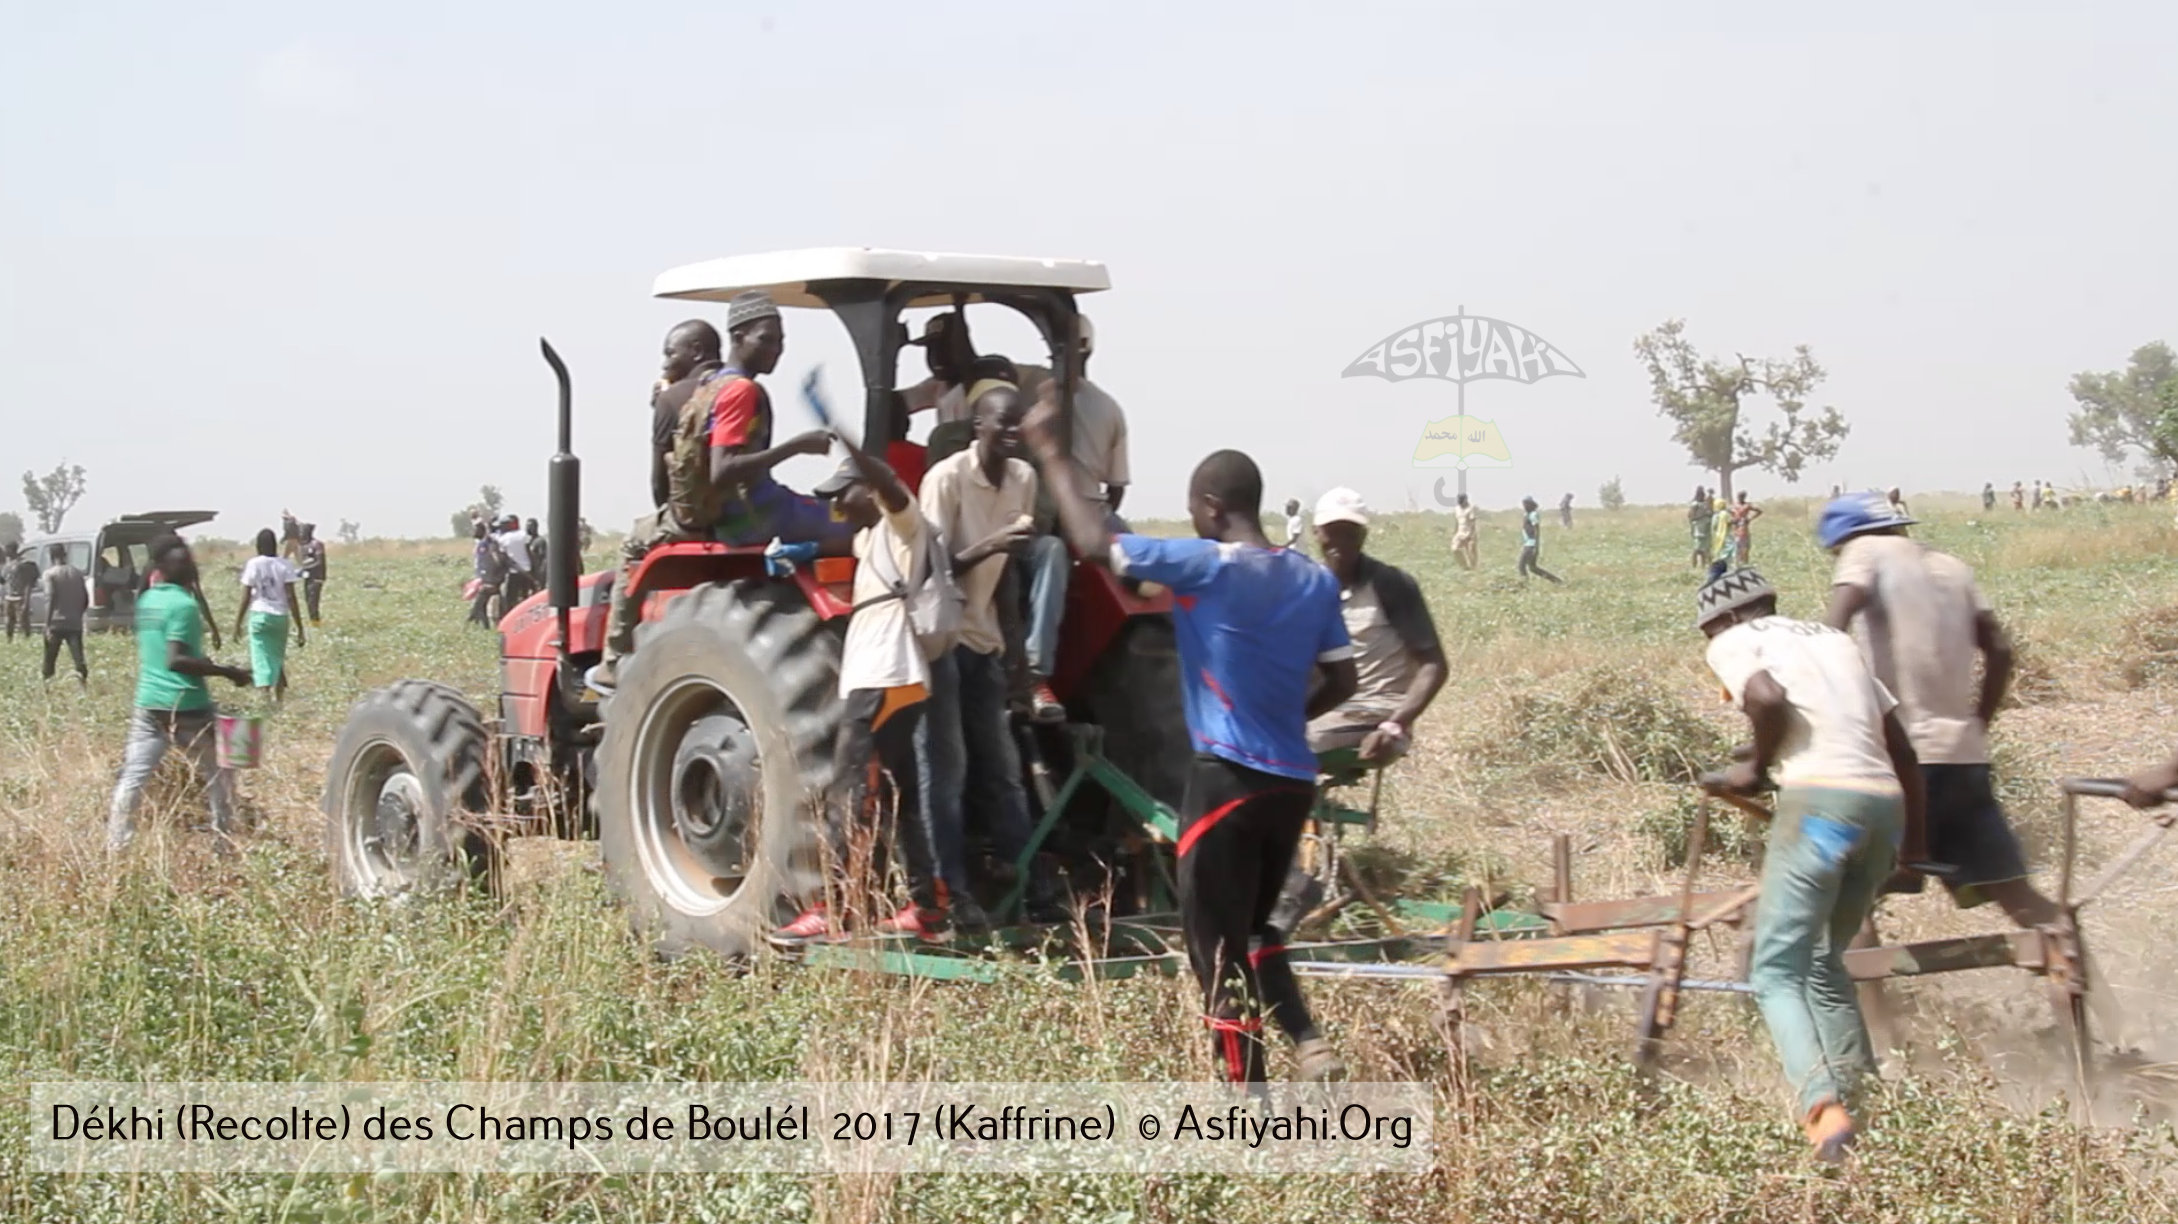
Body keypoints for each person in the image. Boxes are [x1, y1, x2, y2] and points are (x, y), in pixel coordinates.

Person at [1025, 384, 1357, 1085]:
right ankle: (1306, 1037)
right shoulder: (1312, 580)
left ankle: (1248, 1112)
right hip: (1292, 783)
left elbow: (1089, 542)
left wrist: (1054, 452)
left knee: (1214, 954)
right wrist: (1285, 721)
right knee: (1259, 928)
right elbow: (1344, 682)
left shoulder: (1205, 566)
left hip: (1224, 782)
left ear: (1211, 507)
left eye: (1192, 507)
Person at [1696, 567, 1926, 1162]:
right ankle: (1863, 1099)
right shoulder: (1834, 641)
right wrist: (1913, 848)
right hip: (1883, 808)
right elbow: (1900, 748)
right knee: (1826, 962)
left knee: (1775, 971)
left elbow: (1766, 697)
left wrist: (1751, 770)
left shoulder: (1735, 640)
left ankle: (1823, 1113)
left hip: (1821, 808)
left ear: (1720, 620)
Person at [1820, 494, 2054, 926]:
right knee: (2016, 894)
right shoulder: (1952, 567)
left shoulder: (1863, 552)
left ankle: (1867, 996)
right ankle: (2082, 975)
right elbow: (2000, 650)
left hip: (1904, 763)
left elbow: (1830, 635)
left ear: (1842, 539)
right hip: (1965, 758)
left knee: (1845, 893)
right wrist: (1978, 721)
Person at [772, 445, 952, 944]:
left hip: (884, 673)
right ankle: (926, 905)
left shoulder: (902, 526)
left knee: (850, 787)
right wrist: (803, 554)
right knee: (900, 793)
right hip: (886, 676)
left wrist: (857, 446)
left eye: (843, 494)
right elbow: (840, 540)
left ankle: (837, 905)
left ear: (872, 490)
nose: (836, 506)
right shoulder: (871, 537)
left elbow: (894, 491)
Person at [915, 380, 1063, 930]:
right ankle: (949, 893)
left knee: (1003, 770)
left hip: (984, 639)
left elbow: (1004, 577)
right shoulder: (946, 479)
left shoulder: (1023, 479)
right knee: (946, 769)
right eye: (1001, 423)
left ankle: (1028, 887)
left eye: (1019, 424)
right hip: (940, 637)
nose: (1012, 433)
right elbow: (930, 567)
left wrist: (1018, 655)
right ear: (977, 428)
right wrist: (994, 546)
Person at [108, 534, 254, 852]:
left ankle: (116, 846)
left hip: (148, 705)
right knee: (228, 763)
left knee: (133, 778)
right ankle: (225, 840)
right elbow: (176, 660)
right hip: (187, 705)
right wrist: (229, 672)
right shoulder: (184, 605)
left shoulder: (147, 600)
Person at [703, 291, 852, 549]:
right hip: (757, 514)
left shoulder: (713, 384)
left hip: (737, 514)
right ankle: (801, 555)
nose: (776, 349)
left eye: (780, 341)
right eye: (766, 339)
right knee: (858, 519)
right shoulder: (740, 390)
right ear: (738, 338)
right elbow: (722, 469)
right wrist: (797, 446)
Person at [1306, 489, 1447, 759]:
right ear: (1316, 533)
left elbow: (1434, 665)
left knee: (1288, 746)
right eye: (1331, 531)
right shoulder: (1310, 585)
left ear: (1364, 535)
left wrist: (1395, 724)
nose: (1340, 541)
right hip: (1326, 706)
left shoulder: (1389, 584)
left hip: (1374, 710)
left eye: (1350, 532)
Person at [649, 320, 725, 511]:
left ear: (697, 351)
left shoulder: (671, 398)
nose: (665, 365)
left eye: (670, 354)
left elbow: (660, 484)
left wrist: (663, 405)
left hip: (694, 518)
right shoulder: (749, 389)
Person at [234, 528, 307, 700]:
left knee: (261, 657)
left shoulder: (253, 564)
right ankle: (279, 697)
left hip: (259, 615)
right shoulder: (285, 564)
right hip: (280, 616)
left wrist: (237, 623)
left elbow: (245, 596)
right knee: (277, 657)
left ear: (258, 545)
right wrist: (299, 626)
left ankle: (265, 697)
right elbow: (291, 597)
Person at [39, 544, 89, 686]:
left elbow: (50, 598)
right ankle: (83, 686)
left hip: (56, 623)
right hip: (74, 623)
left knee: (49, 660)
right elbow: (85, 598)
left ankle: (48, 687)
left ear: (51, 556)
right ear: (65, 554)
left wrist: (47, 624)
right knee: (78, 659)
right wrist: (78, 614)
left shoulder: (50, 574)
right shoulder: (77, 573)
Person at [466, 521, 504, 628]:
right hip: (481, 578)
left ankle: (472, 623)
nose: (473, 532)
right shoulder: (480, 543)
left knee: (479, 604)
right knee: (481, 605)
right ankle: (484, 626)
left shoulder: (489, 543)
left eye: (476, 529)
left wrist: (491, 579)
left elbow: (495, 561)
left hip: (488, 579)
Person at [1517, 496, 1562, 585]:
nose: (1524, 506)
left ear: (1531, 505)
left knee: (1521, 566)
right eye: (1523, 504)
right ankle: (1557, 581)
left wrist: (1536, 546)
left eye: (1526, 504)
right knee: (1533, 568)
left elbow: (1536, 529)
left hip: (1531, 545)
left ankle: (1525, 584)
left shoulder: (1533, 514)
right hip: (1528, 544)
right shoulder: (1527, 515)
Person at [495, 514, 535, 604]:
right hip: (527, 572)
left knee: (511, 598)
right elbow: (531, 553)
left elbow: (502, 557)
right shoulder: (524, 535)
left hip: (513, 572)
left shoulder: (503, 539)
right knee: (526, 598)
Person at [4, 543, 35, 641]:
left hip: (19, 597)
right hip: (8, 597)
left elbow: (28, 584)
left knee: (23, 621)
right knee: (9, 621)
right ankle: (9, 639)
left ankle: (27, 639)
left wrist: (26, 601)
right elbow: (4, 581)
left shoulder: (22, 565)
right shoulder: (7, 565)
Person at [297, 522, 327, 625]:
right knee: (308, 601)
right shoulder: (303, 546)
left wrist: (305, 568)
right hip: (308, 577)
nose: (300, 534)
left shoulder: (317, 544)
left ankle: (316, 623)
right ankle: (314, 622)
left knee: (313, 602)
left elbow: (320, 562)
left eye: (302, 531)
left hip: (316, 577)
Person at [1730, 490, 1763, 563]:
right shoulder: (1734, 505)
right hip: (1736, 527)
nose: (1740, 498)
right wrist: (1732, 520)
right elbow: (1730, 514)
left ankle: (1745, 562)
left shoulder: (1747, 505)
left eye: (1742, 496)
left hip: (1743, 527)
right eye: (1739, 496)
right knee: (1737, 546)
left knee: (1745, 547)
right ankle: (1738, 562)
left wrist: (1750, 518)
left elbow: (1759, 511)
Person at [1452, 492, 1479, 570]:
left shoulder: (1470, 509)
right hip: (1460, 533)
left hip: (1469, 533)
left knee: (1471, 552)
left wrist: (1471, 535)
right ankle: (1464, 566)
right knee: (1455, 549)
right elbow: (1457, 521)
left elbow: (1473, 523)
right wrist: (1455, 532)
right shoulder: (1457, 509)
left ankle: (1474, 569)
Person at [1688, 486, 1713, 569]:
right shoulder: (1695, 504)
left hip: (1706, 529)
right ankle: (1694, 566)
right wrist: (1703, 515)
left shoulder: (1705, 503)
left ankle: (1704, 566)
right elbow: (1692, 517)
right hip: (1699, 529)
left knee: (1705, 550)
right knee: (1697, 549)